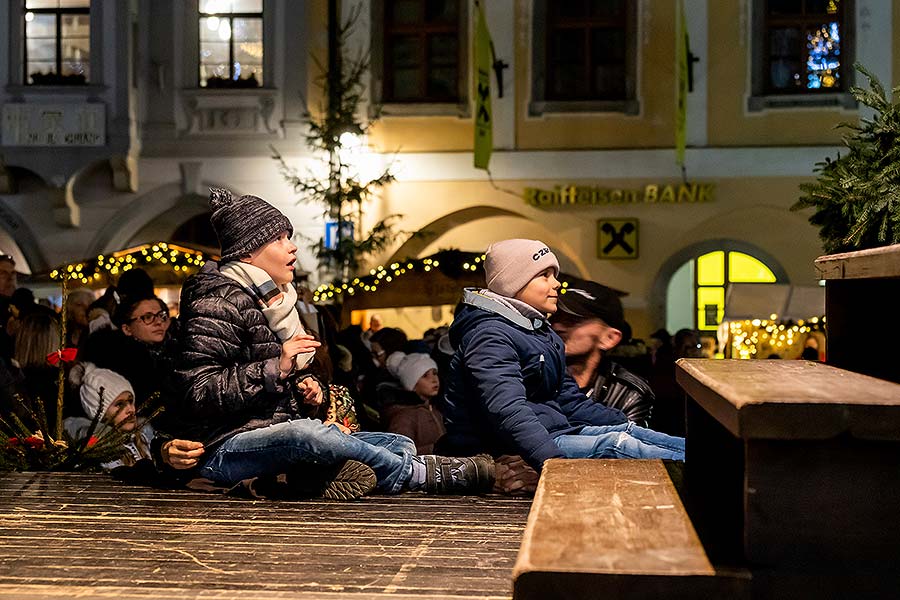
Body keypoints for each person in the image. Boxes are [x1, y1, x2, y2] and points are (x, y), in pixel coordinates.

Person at [169, 187, 493, 500]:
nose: (291, 247)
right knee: (307, 437)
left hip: (270, 432)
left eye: (289, 237)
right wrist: (276, 367)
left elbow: (275, 389)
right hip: (224, 445)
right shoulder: (217, 303)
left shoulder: (275, 303)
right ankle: (418, 475)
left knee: (395, 443)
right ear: (249, 251)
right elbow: (196, 391)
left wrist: (307, 388)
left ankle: (306, 478)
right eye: (278, 239)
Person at [439, 238, 684, 478]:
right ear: (513, 283)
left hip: (553, 433)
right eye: (544, 275)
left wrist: (621, 422)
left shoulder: (541, 333)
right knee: (616, 444)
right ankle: (711, 474)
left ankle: (719, 458)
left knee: (629, 433)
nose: (556, 284)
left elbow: (567, 398)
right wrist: (554, 465)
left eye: (554, 275)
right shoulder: (490, 336)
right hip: (504, 448)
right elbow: (508, 411)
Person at [550, 280, 654, 425]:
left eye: (573, 320)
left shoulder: (628, 392)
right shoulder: (528, 373)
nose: (556, 326)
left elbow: (626, 444)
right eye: (554, 316)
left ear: (609, 338)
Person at [64, 362, 156, 471]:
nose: (130, 410)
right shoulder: (97, 452)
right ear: (99, 413)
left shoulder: (145, 439)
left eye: (131, 401)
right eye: (119, 404)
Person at [381, 352, 446, 454]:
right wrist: (435, 449)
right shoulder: (403, 417)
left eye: (434, 373)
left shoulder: (436, 409)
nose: (434, 380)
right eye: (425, 376)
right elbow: (399, 454)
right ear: (412, 384)